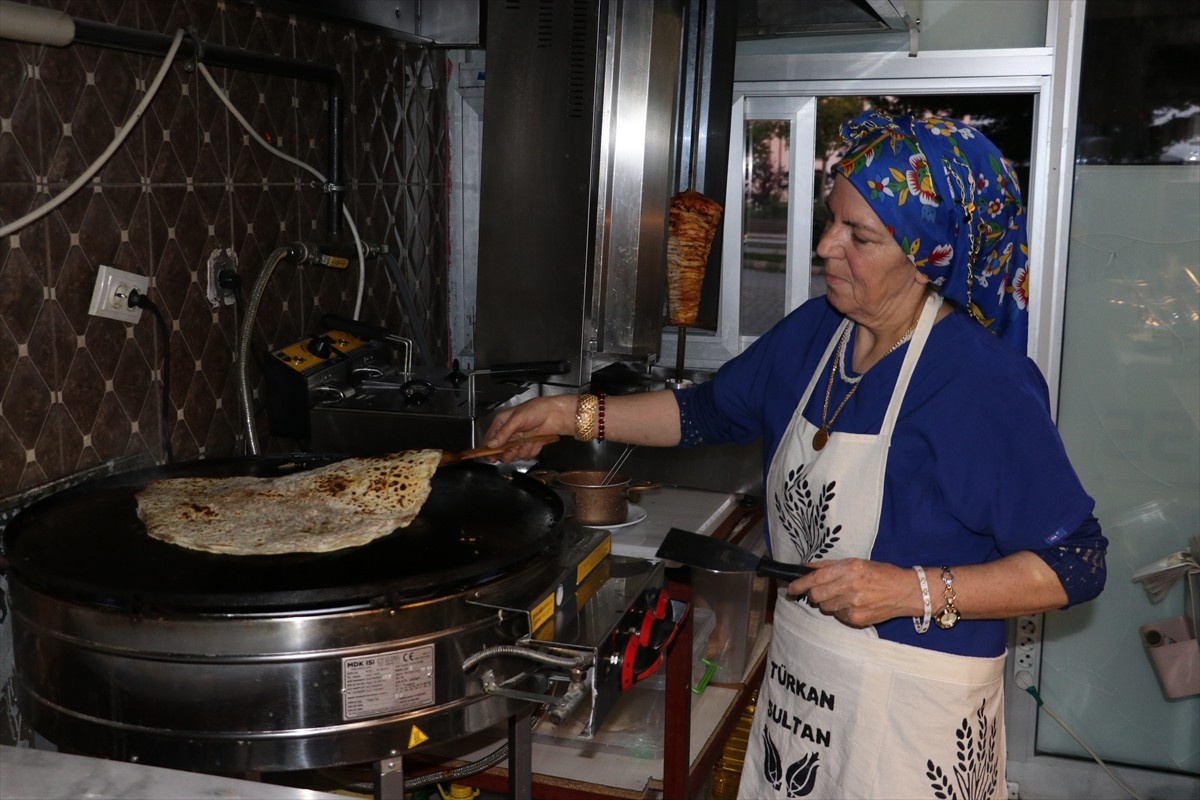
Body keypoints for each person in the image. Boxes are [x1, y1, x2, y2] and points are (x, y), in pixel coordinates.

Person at [484, 110, 1107, 799]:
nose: (824, 246)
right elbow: (705, 412)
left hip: (914, 715)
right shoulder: (819, 333)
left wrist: (912, 590)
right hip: (803, 686)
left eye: (858, 236)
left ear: (929, 256)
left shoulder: (980, 382)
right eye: (831, 219)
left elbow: (1075, 563)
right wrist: (569, 414)